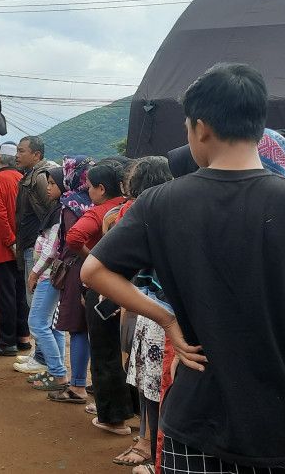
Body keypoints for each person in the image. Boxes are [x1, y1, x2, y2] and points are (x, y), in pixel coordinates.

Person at [83, 63, 285, 473]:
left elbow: (93, 272)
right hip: (280, 423)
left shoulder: (160, 202)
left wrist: (168, 321)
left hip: (197, 414)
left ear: (201, 128)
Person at [110, 156, 174, 470]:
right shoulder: (163, 208)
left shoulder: (145, 211)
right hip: (157, 306)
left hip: (158, 310)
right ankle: (147, 441)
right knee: (151, 382)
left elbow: (107, 264)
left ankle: (150, 446)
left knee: (155, 383)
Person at [65, 160, 132, 434]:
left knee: (104, 352)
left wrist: (93, 259)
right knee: (125, 352)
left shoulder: (100, 213)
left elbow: (73, 237)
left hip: (104, 288)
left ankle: (112, 417)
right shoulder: (130, 206)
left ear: (101, 189)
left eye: (91, 187)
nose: (88, 192)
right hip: (131, 289)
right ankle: (124, 409)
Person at [46, 156, 93, 405]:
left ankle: (77, 386)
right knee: (92, 328)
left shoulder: (70, 203)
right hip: (101, 270)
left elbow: (72, 241)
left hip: (77, 269)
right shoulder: (97, 202)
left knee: (77, 328)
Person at [14, 135, 56, 372]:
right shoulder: (32, 175)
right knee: (35, 303)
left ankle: (41, 358)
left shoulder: (40, 178)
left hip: (36, 246)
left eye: (22, 151)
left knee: (37, 303)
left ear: (36, 155)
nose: (17, 155)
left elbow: (49, 214)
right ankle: (39, 352)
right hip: (31, 244)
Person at [23, 166, 67, 389]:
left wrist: (34, 273)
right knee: (51, 325)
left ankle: (59, 374)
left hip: (49, 275)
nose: (48, 188)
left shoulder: (61, 212)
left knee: (38, 323)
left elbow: (51, 250)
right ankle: (54, 371)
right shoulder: (59, 208)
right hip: (51, 275)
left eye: (52, 183)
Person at [0, 142, 28, 356]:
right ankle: (22, 337)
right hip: (20, 246)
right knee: (19, 292)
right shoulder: (22, 179)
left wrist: (10, 242)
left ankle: (4, 341)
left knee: (2, 296)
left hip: (2, 246)